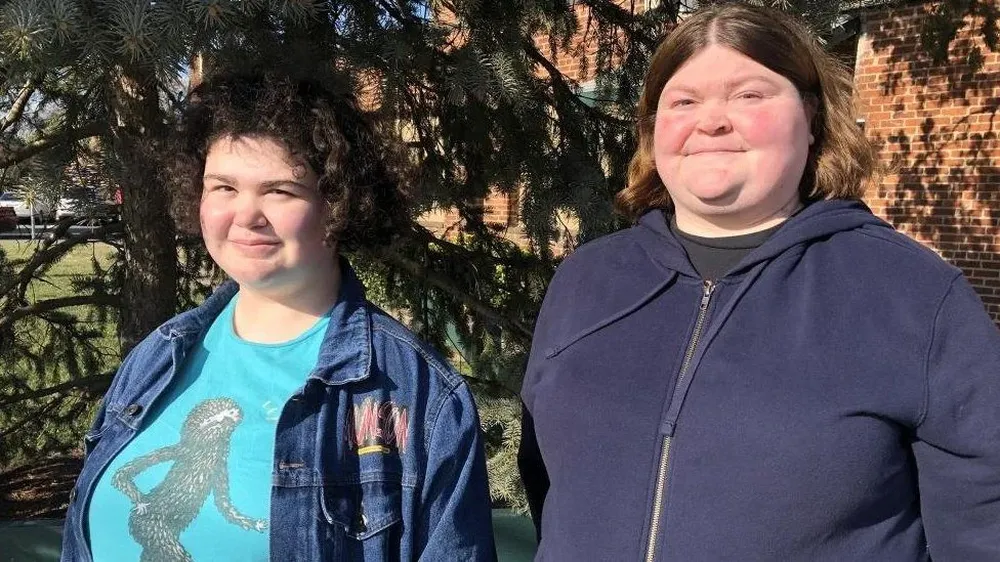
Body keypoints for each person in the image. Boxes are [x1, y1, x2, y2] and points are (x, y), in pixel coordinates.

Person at [518, 3, 1000, 561]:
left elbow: (983, 527)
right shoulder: (586, 281)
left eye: (749, 95)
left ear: (812, 116)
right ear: (654, 130)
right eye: (683, 101)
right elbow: (551, 491)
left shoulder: (913, 296)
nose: (712, 121)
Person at [61, 73, 497, 561]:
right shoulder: (158, 357)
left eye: (281, 191)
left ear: (339, 204)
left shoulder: (418, 397)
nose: (246, 215)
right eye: (223, 186)